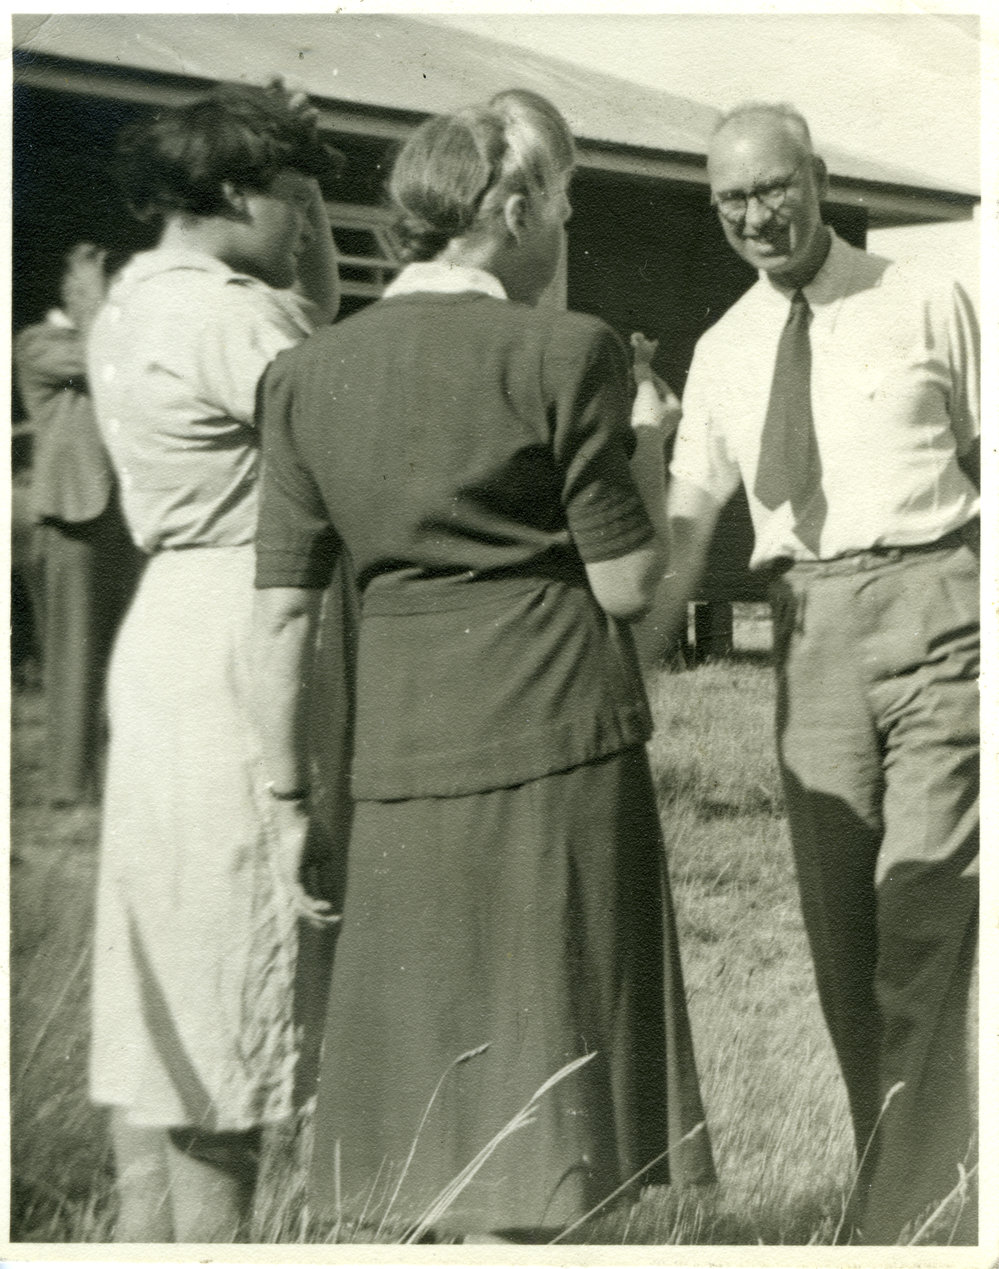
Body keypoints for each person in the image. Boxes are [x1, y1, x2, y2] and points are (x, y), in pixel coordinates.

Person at [253, 88, 715, 1243]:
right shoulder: (568, 351)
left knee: (429, 1102)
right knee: (551, 1088)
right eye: (557, 205)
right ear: (510, 208)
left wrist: (287, 799)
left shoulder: (307, 375)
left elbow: (281, 620)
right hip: (559, 743)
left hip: (397, 757)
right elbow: (624, 584)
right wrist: (652, 452)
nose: (561, 229)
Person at [645, 102, 979, 1243]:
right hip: (811, 632)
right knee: (846, 935)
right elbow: (688, 538)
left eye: (773, 189)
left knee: (927, 912)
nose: (755, 216)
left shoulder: (926, 299)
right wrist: (624, 665)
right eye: (731, 201)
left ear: (818, 178)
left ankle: (899, 1217)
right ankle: (912, 1180)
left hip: (942, 610)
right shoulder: (724, 347)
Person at [85, 81, 343, 1242]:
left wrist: (306, 243)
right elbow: (341, 422)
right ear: (236, 191)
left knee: (166, 975)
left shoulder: (141, 296)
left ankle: (148, 1239)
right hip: (244, 629)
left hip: (165, 627)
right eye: (295, 196)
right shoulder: (232, 317)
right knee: (238, 957)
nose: (307, 221)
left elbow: (308, 341)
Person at [13, 243, 143, 805]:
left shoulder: (106, 338)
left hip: (124, 515)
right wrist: (95, 296)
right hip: (73, 516)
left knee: (128, 654)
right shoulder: (40, 343)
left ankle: (117, 778)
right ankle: (70, 787)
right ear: (71, 293)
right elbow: (102, 359)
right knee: (75, 653)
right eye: (97, 287)